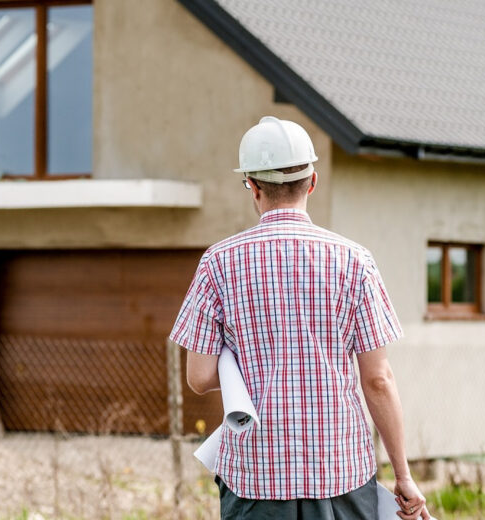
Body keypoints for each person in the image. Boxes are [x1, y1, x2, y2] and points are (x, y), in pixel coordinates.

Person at [170, 116, 430, 520]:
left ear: (252, 187)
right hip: (341, 473)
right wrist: (403, 474)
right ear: (312, 182)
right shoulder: (354, 261)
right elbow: (378, 380)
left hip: (255, 477)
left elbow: (199, 378)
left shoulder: (217, 263)